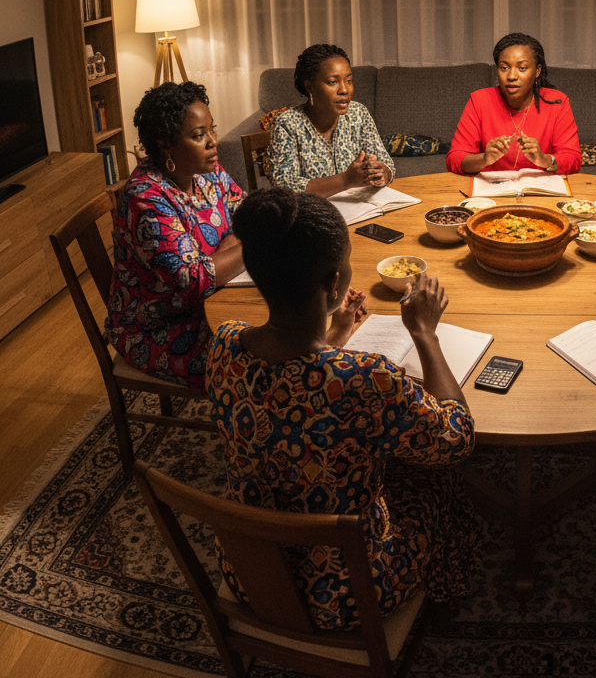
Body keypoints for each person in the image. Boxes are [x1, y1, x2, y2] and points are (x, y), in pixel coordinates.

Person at [206, 186, 481, 630]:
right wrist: (425, 333)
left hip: (251, 570)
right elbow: (455, 439)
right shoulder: (365, 378)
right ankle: (444, 599)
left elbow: (291, 393)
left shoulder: (224, 344)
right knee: (443, 482)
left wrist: (335, 336)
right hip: (350, 590)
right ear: (335, 282)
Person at [105, 82, 245, 386]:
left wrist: (219, 259)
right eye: (198, 135)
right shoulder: (146, 199)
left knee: (287, 318)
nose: (213, 142)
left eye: (212, 129)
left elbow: (248, 214)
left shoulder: (209, 171)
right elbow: (194, 282)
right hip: (161, 328)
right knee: (258, 355)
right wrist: (250, 245)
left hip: (220, 294)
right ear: (166, 144)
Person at [446, 32, 582, 176]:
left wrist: (544, 160)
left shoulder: (557, 102)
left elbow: (573, 159)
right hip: (490, 193)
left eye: (522, 68)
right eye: (504, 68)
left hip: (540, 192)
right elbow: (454, 158)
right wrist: (484, 159)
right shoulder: (479, 100)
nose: (511, 76)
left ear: (537, 71)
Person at [268, 43, 395, 195]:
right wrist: (345, 180)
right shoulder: (288, 124)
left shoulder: (358, 113)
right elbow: (284, 188)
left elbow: (386, 164)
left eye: (348, 80)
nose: (344, 90)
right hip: (311, 213)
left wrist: (382, 173)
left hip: (358, 209)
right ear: (309, 87)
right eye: (333, 82)